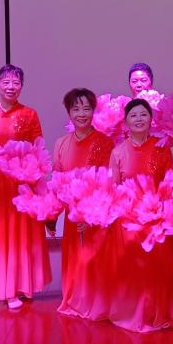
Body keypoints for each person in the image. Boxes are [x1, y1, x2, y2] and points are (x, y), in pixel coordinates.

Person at [0, 65, 51, 310]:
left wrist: (36, 179)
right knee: (1, 231)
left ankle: (23, 284)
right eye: (6, 82)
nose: (11, 86)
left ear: (21, 86)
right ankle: (6, 289)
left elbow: (38, 147)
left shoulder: (30, 114)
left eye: (16, 82)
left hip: (22, 180)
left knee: (22, 232)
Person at [106, 99, 173, 333]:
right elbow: (113, 188)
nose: (138, 119)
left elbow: (169, 182)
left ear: (150, 119)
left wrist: (165, 212)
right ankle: (134, 312)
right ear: (126, 122)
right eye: (133, 115)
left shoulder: (162, 147)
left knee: (156, 268)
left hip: (156, 217)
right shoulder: (118, 152)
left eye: (143, 114)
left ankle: (157, 312)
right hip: (128, 219)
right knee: (134, 268)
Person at [52, 88, 115, 320]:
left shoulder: (104, 142)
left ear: (93, 111)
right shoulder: (61, 143)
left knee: (93, 256)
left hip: (96, 212)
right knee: (74, 255)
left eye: (86, 109)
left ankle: (96, 303)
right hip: (72, 213)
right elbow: (57, 180)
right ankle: (75, 298)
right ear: (68, 112)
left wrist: (91, 215)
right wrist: (52, 215)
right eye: (76, 109)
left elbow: (108, 180)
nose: (81, 114)